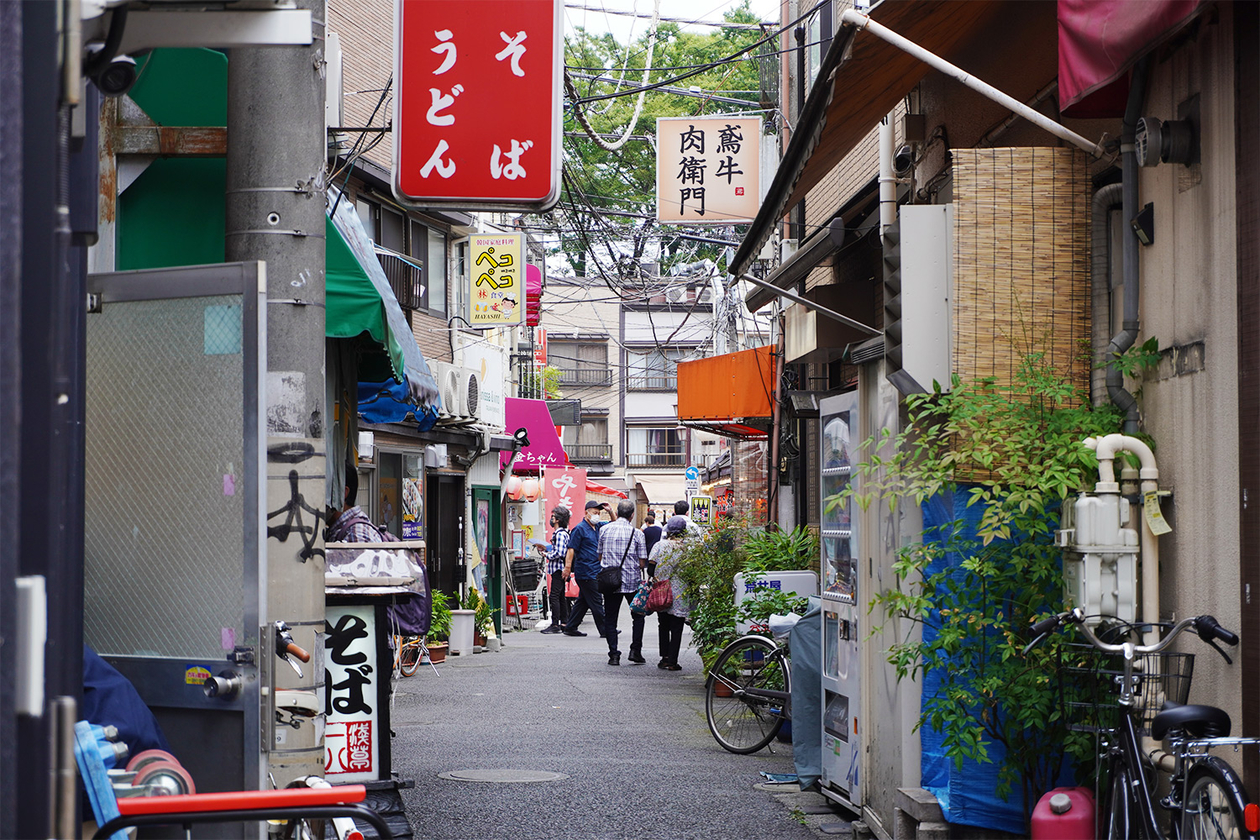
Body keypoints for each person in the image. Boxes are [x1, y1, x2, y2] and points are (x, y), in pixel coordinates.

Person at [326, 465, 431, 639]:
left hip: (363, 640)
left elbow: (363, 595)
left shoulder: (357, 533)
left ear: (343, 493)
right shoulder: (346, 529)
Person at [597, 499, 648, 666]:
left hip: (610, 582)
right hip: (632, 581)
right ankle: (635, 651)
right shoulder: (638, 534)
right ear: (632, 515)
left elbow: (600, 556)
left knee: (610, 618)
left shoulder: (604, 530)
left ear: (617, 513)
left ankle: (614, 654)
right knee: (638, 616)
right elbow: (642, 563)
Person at [560, 501, 610, 639]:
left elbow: (615, 523)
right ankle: (605, 629)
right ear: (586, 513)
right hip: (586, 571)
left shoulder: (598, 526)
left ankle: (571, 627)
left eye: (599, 513)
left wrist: (610, 511)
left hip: (595, 569)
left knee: (582, 601)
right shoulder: (579, 529)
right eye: (594, 513)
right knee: (596, 600)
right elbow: (571, 549)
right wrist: (567, 567)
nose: (597, 516)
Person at [649, 516, 693, 671]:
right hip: (681, 592)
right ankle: (673, 661)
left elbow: (650, 568)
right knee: (676, 627)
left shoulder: (659, 546)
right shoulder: (688, 548)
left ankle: (664, 657)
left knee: (663, 624)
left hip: (662, 590)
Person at [538, 505, 571, 634]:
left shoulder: (561, 534)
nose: (551, 519)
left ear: (557, 519)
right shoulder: (560, 533)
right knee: (561, 596)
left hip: (558, 568)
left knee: (554, 596)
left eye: (553, 517)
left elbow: (561, 552)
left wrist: (547, 555)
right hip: (558, 568)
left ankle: (555, 624)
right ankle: (564, 622)